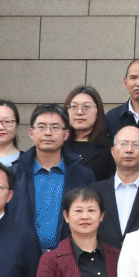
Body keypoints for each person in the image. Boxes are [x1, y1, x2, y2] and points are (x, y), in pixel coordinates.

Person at [11, 104, 96, 254]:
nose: (48, 133)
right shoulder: (13, 174)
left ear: (66, 134)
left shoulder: (83, 175)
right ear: (31, 133)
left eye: (55, 127)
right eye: (41, 127)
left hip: (69, 256)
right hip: (21, 256)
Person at [92, 125, 139, 248]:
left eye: (136, 145)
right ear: (112, 151)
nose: (129, 150)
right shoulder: (94, 192)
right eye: (123, 144)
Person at [63, 85, 115, 181]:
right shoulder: (58, 144)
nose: (79, 112)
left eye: (86, 106)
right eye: (73, 106)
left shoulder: (110, 148)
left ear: (98, 111)